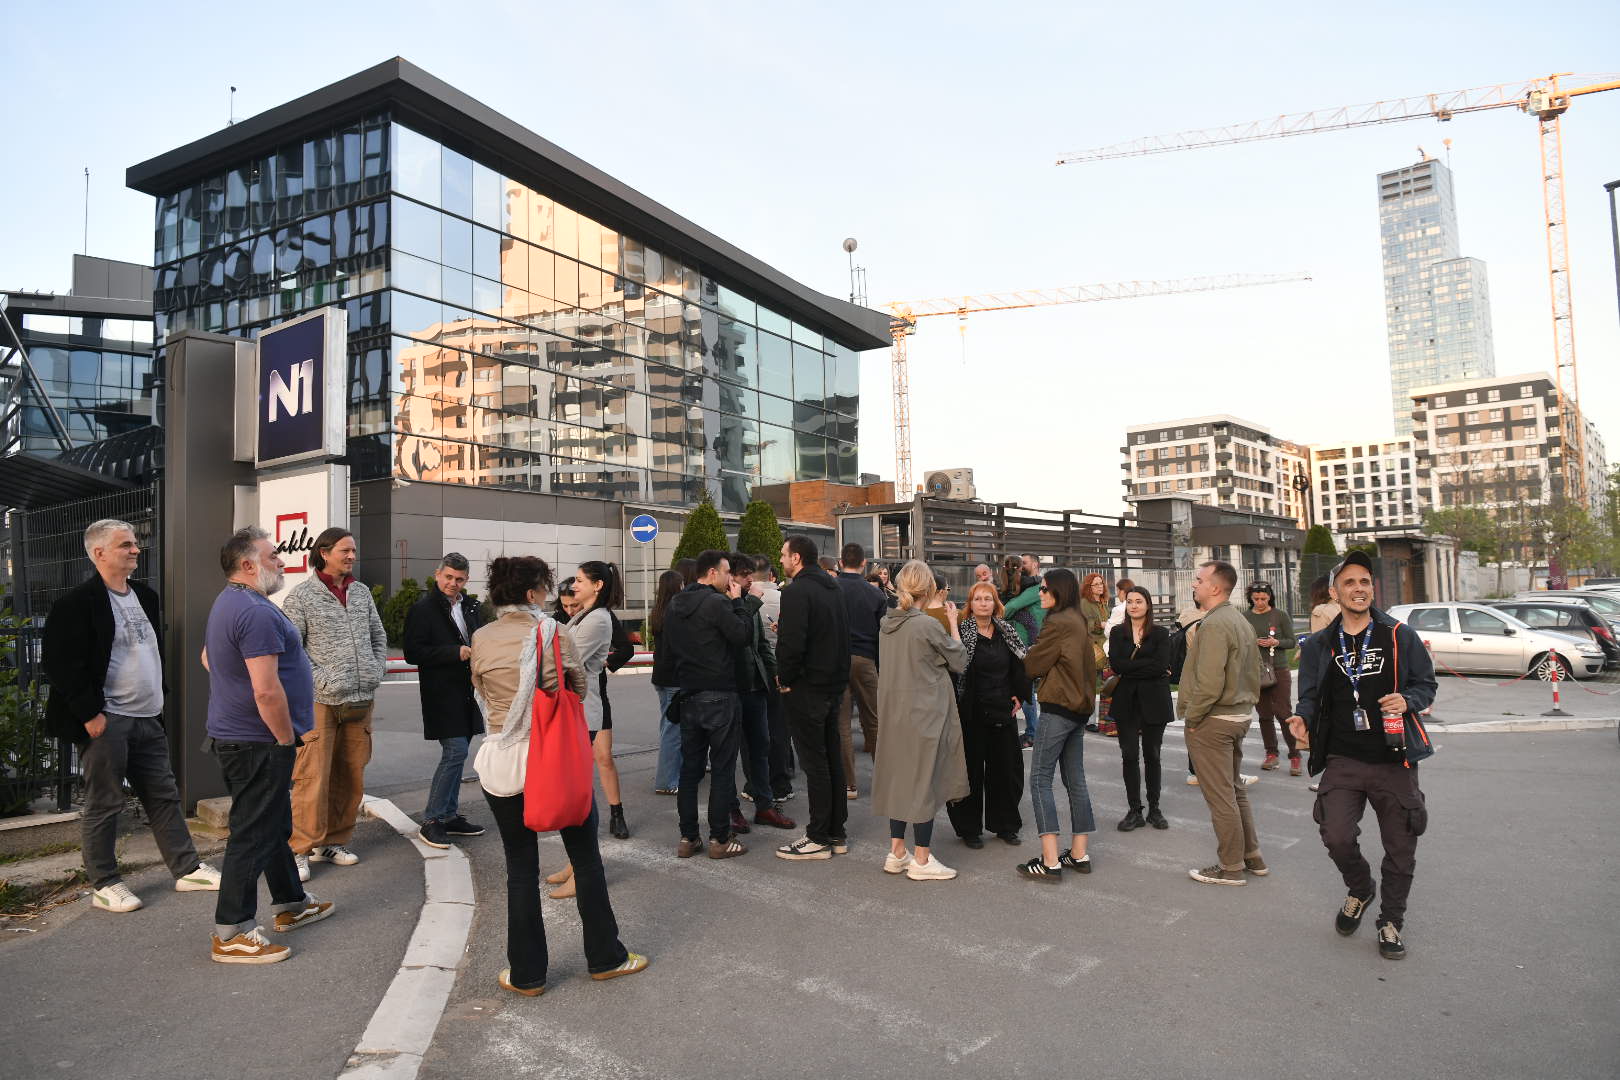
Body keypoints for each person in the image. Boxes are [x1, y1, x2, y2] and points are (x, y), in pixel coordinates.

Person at [470, 555, 647, 993]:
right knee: (585, 858)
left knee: (520, 866)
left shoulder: (481, 636)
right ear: (532, 593)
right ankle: (606, 956)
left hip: (501, 758)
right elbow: (579, 686)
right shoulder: (554, 632)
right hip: (552, 757)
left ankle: (528, 973)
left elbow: (480, 688)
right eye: (546, 588)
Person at [42, 519, 221, 914]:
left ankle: (187, 868)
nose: (136, 549)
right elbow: (59, 663)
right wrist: (90, 714)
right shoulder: (76, 603)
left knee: (163, 796)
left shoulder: (144, 595)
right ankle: (105, 883)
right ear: (99, 553)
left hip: (147, 716)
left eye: (135, 543)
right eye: (126, 544)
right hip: (108, 720)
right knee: (105, 803)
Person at [1287, 550, 1437, 960]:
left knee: (1400, 846)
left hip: (1393, 757)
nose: (1359, 588)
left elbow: (1426, 684)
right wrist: (1302, 719)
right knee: (1335, 834)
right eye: (1350, 582)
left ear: (1374, 589)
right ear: (1335, 593)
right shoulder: (1320, 644)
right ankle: (1360, 888)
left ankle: (1391, 921)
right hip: (1343, 757)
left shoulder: (1397, 635)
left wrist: (1407, 700)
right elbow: (1311, 696)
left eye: (1365, 582)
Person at [202, 527, 331, 964]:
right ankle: (231, 931)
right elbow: (266, 691)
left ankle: (291, 903)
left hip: (241, 738)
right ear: (247, 565)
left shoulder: (231, 603)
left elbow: (209, 659)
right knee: (253, 831)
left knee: (272, 823)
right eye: (272, 556)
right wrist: (281, 739)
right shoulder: (255, 612)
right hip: (258, 742)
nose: (280, 562)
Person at [281, 528, 387, 881]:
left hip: (361, 698)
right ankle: (299, 849)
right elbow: (292, 651)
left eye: (353, 551)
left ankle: (333, 841)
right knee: (312, 775)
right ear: (324, 553)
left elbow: (378, 635)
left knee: (351, 772)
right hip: (319, 702)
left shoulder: (360, 593)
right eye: (346, 550)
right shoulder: (301, 597)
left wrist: (375, 669)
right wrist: (323, 680)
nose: (352, 556)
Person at [872, 560, 970, 880]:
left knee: (901, 782)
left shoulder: (888, 624)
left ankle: (897, 851)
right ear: (927, 589)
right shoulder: (926, 624)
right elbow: (958, 660)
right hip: (925, 713)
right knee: (923, 785)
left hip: (895, 713)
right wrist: (954, 624)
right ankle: (923, 860)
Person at [1179, 560, 1267, 886]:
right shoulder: (1239, 620)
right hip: (1238, 714)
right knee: (1234, 790)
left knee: (1221, 797)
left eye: (1199, 580)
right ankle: (1251, 856)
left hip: (1215, 719)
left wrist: (1193, 718)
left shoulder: (1215, 624)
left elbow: (1209, 682)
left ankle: (1231, 868)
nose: (1194, 585)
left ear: (1215, 587)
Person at [662, 550, 752, 859]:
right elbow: (742, 636)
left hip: (688, 694)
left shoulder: (676, 604)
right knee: (723, 770)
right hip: (719, 694)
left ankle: (688, 838)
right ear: (712, 573)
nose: (730, 579)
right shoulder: (716, 603)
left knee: (690, 770)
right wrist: (739, 602)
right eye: (727, 572)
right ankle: (719, 838)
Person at [1016, 569, 1099, 882]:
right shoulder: (1077, 619)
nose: (1040, 593)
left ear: (1059, 592)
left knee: (1039, 779)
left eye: (1044, 588)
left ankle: (1050, 861)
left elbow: (1034, 665)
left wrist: (1025, 653)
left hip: (1059, 707)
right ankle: (1079, 853)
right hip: (1078, 710)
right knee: (1075, 780)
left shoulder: (1058, 622)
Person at [774, 535, 852, 861]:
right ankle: (836, 831)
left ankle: (818, 836)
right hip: (832, 686)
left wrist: (785, 679)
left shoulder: (795, 592)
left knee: (815, 764)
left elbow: (792, 645)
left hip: (807, 689)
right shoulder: (834, 589)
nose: (780, 560)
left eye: (783, 555)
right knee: (831, 760)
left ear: (796, 558)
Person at [403, 552, 488, 850]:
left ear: (466, 580)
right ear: (437, 574)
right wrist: (455, 652)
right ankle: (433, 820)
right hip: (442, 692)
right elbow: (413, 652)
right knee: (455, 751)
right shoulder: (423, 609)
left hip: (468, 690)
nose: (453, 583)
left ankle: (449, 816)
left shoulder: (470, 606)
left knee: (460, 752)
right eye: (448, 577)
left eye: (459, 579)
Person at [946, 582, 1029, 849]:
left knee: (1006, 771)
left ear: (995, 603)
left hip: (1002, 710)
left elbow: (1021, 663)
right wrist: (951, 624)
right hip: (972, 713)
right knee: (971, 773)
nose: (983, 603)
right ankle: (969, 829)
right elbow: (955, 664)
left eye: (988, 598)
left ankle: (1005, 825)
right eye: (978, 599)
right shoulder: (963, 631)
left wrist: (1019, 693)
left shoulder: (1006, 631)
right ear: (970, 604)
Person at [729, 553, 795, 832]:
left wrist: (773, 672)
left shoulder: (747, 601)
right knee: (728, 753)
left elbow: (760, 645)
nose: (750, 578)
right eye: (744, 574)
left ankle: (765, 804)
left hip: (757, 685)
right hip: (732, 687)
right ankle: (732, 810)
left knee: (761, 744)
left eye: (750, 573)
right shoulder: (725, 603)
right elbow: (737, 637)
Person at [568, 561, 629, 841]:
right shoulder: (579, 616)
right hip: (578, 700)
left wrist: (605, 662)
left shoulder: (599, 618)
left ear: (597, 585)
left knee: (602, 758)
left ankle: (616, 813)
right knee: (577, 771)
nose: (573, 587)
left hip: (592, 698)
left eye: (580, 580)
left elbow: (568, 660)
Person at [1107, 585, 1173, 831]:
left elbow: (1162, 664)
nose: (1134, 605)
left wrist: (1133, 667)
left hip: (1155, 700)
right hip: (1127, 701)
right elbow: (1116, 665)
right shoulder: (1117, 633)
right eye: (1130, 601)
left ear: (1148, 605)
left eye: (1139, 601)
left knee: (1153, 755)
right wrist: (1148, 666)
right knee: (1129, 755)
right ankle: (1135, 810)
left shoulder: (1159, 633)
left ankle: (1154, 809)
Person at [835, 542, 888, 799]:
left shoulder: (831, 590)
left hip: (837, 660)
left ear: (840, 562)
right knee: (874, 720)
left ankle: (849, 784)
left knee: (842, 723)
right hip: (866, 659)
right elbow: (882, 635)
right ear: (864, 563)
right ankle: (884, 781)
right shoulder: (877, 595)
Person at [1245, 581, 1300, 776]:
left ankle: (1295, 755)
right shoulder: (1245, 617)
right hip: (1256, 670)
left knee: (1283, 712)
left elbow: (1292, 641)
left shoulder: (1280, 615)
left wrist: (1276, 642)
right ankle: (1271, 754)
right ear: (1250, 598)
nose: (1260, 602)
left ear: (1270, 597)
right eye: (1256, 599)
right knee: (1264, 714)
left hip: (1279, 669)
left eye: (1263, 598)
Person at [754, 555, 795, 801]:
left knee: (759, 728)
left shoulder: (748, 601)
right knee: (780, 726)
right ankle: (783, 776)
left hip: (757, 669)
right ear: (772, 575)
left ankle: (761, 781)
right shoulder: (784, 599)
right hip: (781, 666)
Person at [1000, 556, 1045, 749]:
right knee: (1027, 690)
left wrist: (995, 614)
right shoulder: (1026, 588)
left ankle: (1033, 733)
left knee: (1027, 690)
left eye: (1024, 563)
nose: (1021, 567)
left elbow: (1010, 608)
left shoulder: (1036, 588)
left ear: (1035, 564)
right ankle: (1031, 732)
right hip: (1023, 643)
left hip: (1028, 644)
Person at [649, 569, 686, 796]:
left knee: (667, 726)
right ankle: (667, 781)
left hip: (660, 676)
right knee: (673, 730)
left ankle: (672, 774)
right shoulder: (677, 610)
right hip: (674, 677)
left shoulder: (658, 610)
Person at [1079, 573, 1113, 735]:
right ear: (1088, 587)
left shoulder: (1103, 602)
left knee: (1103, 684)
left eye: (1101, 583)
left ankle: (1102, 720)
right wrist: (1101, 624)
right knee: (1090, 685)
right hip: (1092, 647)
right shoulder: (1085, 603)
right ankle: (1088, 721)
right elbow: (1083, 624)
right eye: (1096, 584)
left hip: (1104, 646)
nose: (1100, 586)